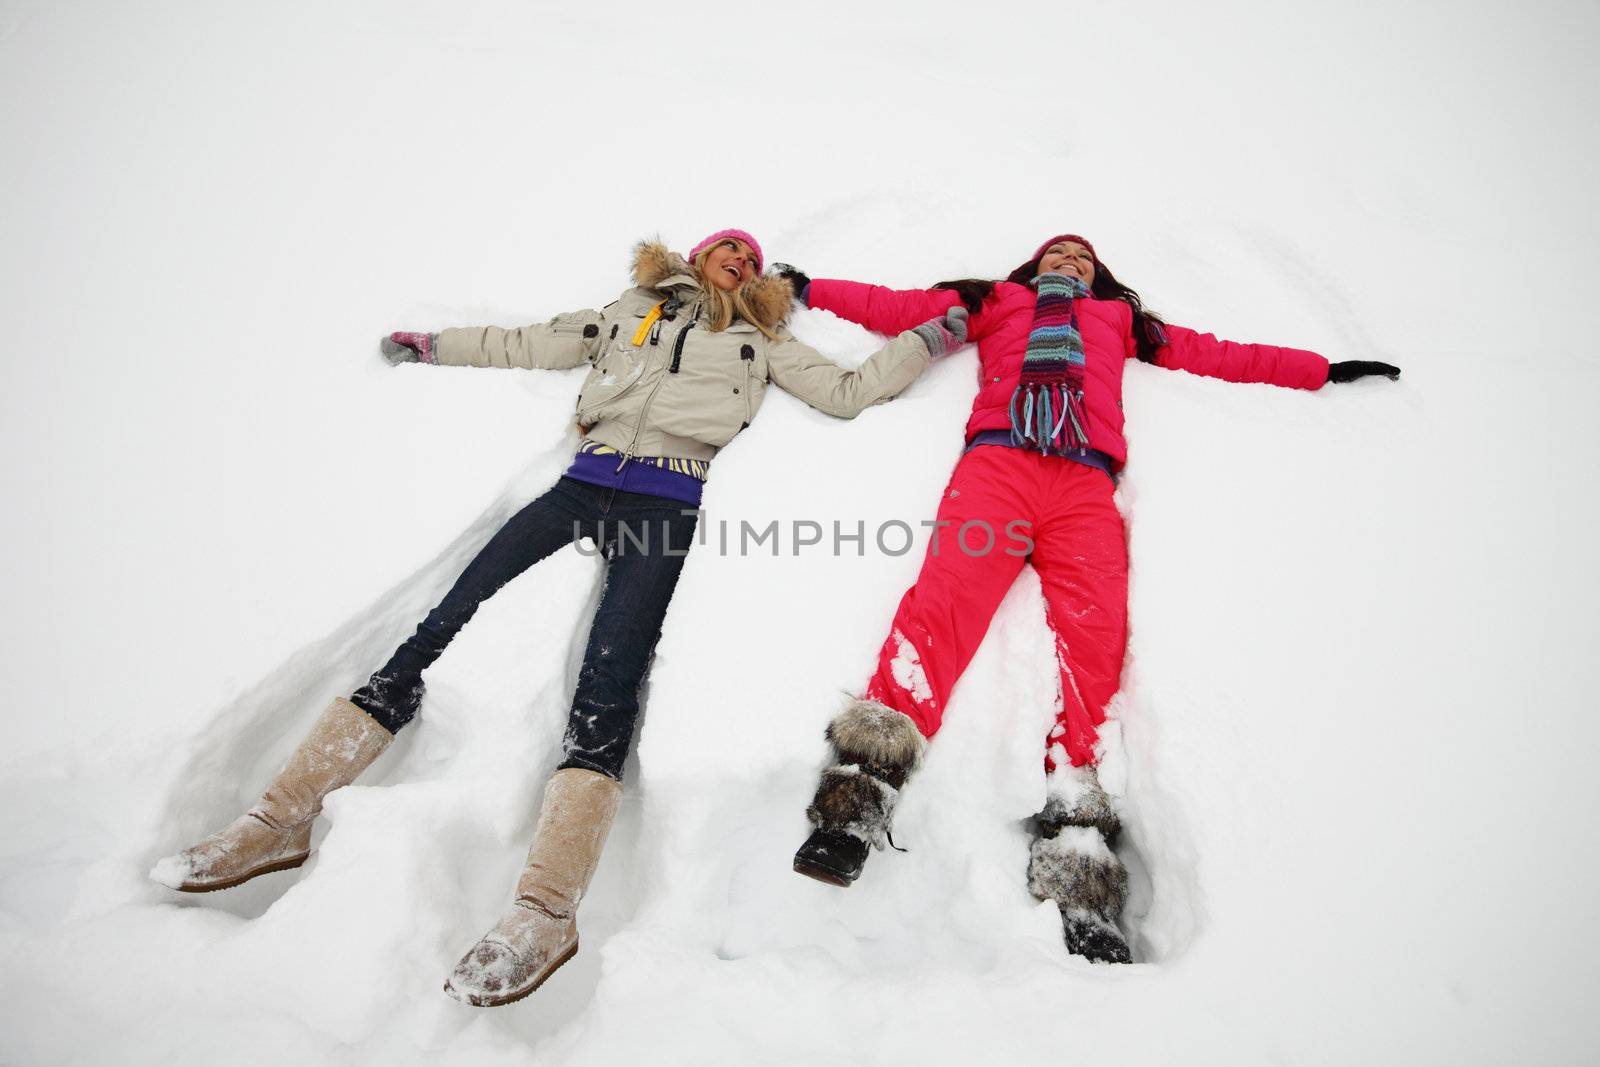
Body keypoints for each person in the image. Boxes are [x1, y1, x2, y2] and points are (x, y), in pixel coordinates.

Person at [150, 230, 969, 1006]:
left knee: (610, 680)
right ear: (696, 256)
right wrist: (434, 344)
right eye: (726, 245)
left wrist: (930, 339)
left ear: (757, 279)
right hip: (583, 481)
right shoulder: (631, 310)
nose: (736, 257)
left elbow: (849, 392)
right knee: (444, 615)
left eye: (749, 256)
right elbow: (528, 341)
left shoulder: (761, 338)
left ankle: (545, 909)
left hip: (665, 504)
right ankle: (276, 819)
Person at [776, 234, 1400, 964]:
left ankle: (1081, 869)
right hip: (1000, 465)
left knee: (1095, 653)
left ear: (1098, 273)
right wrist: (811, 287)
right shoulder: (994, 301)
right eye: (1056, 253)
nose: (1068, 261)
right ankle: (855, 803)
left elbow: (1221, 354)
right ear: (1033, 265)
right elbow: (894, 308)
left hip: (1082, 486)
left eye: (1081, 256)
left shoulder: (1122, 323)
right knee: (939, 611)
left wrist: (1320, 370)